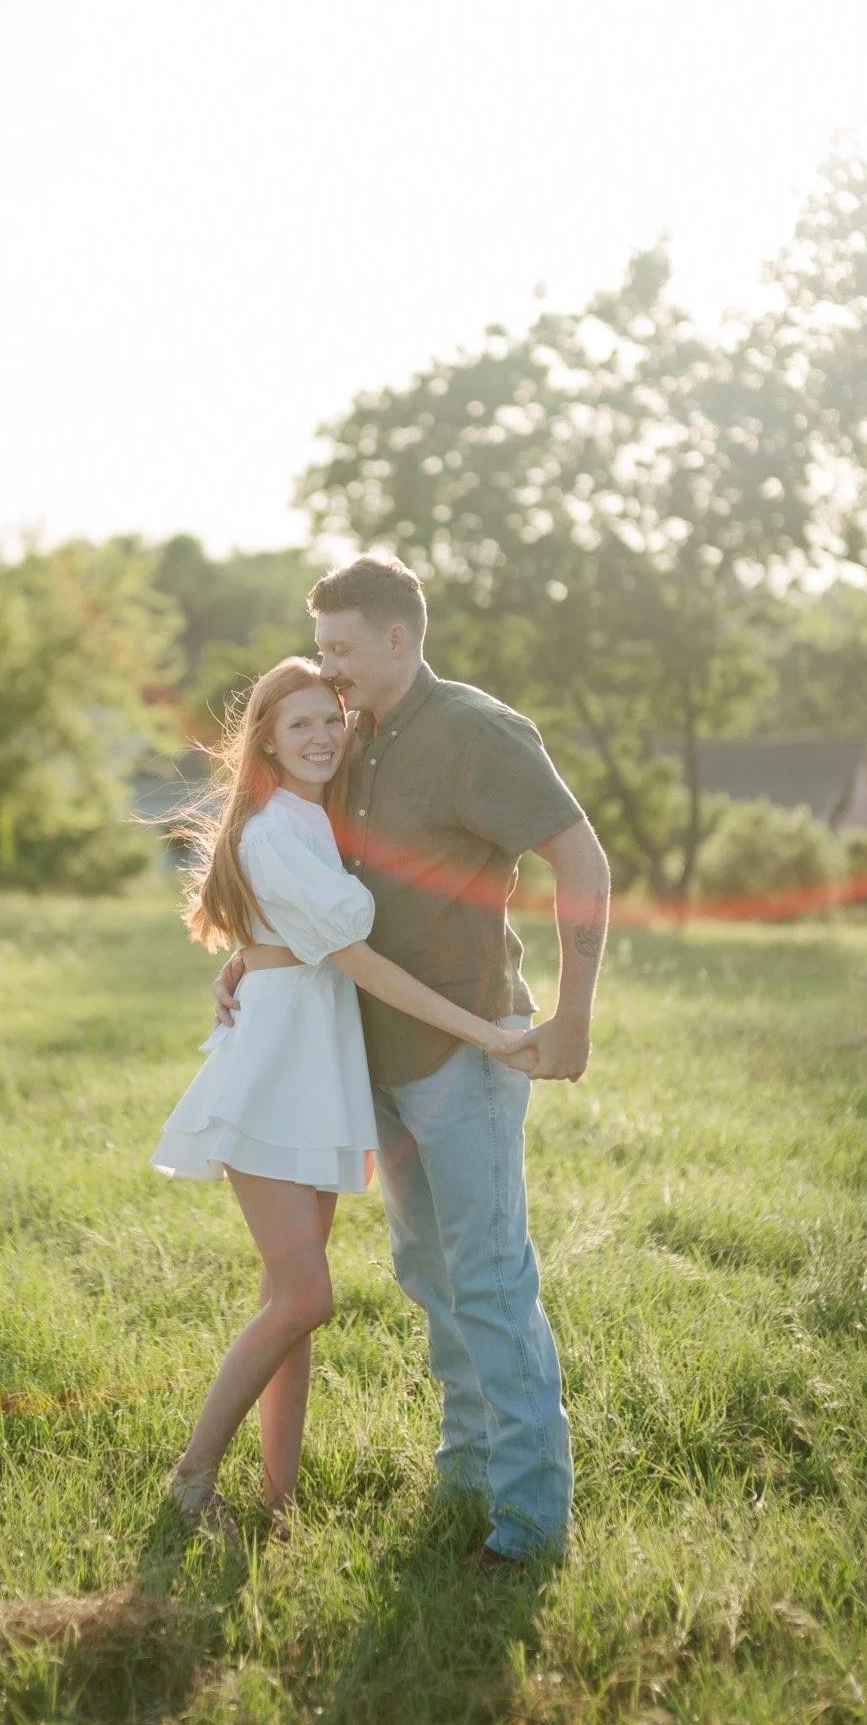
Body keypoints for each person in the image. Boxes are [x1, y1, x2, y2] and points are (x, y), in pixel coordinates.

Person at [214, 557, 610, 1567]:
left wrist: (573, 1015)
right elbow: (309, 876)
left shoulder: (475, 730)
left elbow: (581, 859)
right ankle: (466, 1474)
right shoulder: (354, 735)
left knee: (488, 1278)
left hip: (466, 1045)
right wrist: (251, 955)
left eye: (341, 647)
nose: (327, 667)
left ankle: (528, 1522)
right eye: (322, 648)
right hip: (374, 1054)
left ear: (397, 638)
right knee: (430, 1274)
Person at [152, 656, 540, 1539]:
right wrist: (485, 1033)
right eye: (299, 725)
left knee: (290, 1302)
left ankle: (279, 1499)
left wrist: (249, 954)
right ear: (265, 742)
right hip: (276, 1074)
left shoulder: (312, 820)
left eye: (331, 718)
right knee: (303, 1299)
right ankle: (192, 1477)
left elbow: (290, 933)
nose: (323, 735)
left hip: (318, 1071)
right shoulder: (273, 831)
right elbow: (357, 959)